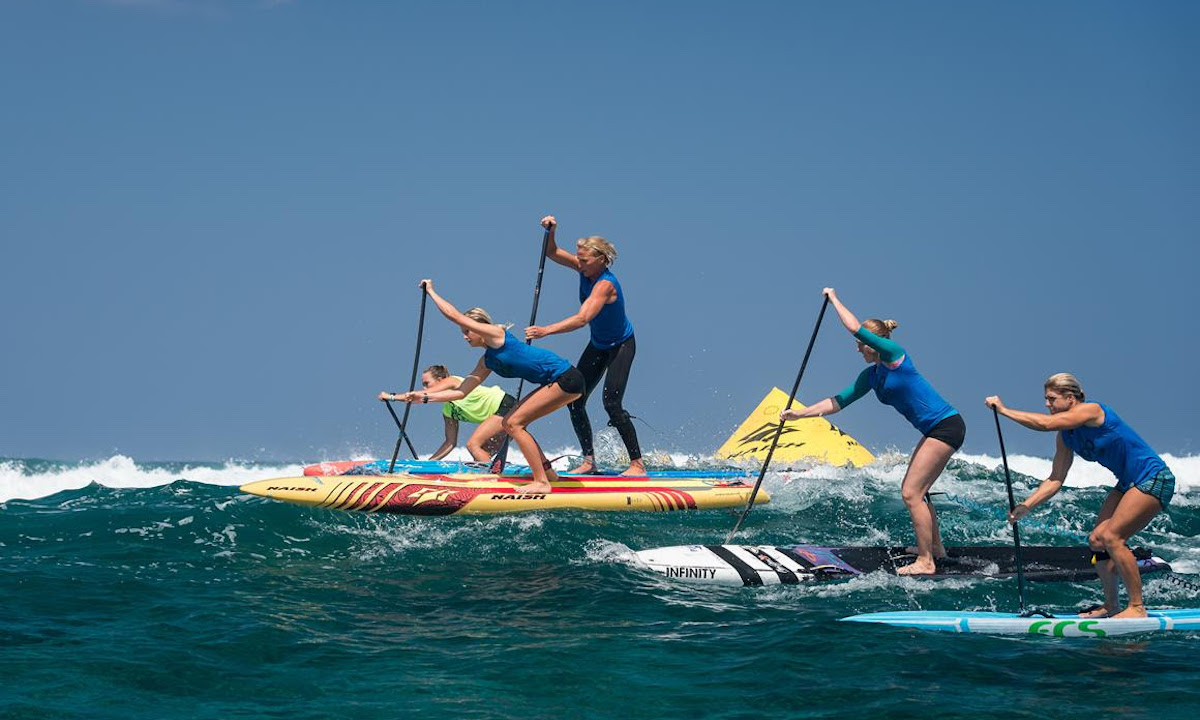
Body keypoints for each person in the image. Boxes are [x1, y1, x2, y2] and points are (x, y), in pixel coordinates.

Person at [780, 288, 965, 575]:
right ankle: (935, 549)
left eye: (861, 344)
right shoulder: (872, 375)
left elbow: (854, 327)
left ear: (874, 343)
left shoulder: (895, 355)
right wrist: (798, 414)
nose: (857, 349)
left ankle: (926, 562)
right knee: (920, 491)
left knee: (910, 493)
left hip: (946, 426)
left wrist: (833, 299)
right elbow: (837, 402)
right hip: (934, 430)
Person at [986, 373, 1174, 619]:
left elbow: (1045, 424)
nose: (1047, 404)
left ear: (1070, 398)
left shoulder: (1092, 411)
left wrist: (1004, 410)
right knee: (1097, 541)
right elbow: (1055, 479)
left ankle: (1137, 608)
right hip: (1127, 483)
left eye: (1051, 399)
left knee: (1112, 537)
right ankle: (1112, 605)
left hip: (1153, 477)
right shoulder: (1066, 436)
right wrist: (1026, 505)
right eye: (1046, 399)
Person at [397, 279, 584, 494]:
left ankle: (542, 482)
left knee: (513, 423)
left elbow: (454, 315)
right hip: (558, 382)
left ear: (480, 328)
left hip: (566, 377)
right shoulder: (488, 361)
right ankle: (548, 474)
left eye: (467, 331)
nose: (464, 336)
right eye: (463, 332)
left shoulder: (496, 335)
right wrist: (424, 397)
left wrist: (431, 291)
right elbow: (461, 392)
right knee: (512, 422)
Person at [525, 215, 645, 476]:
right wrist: (552, 231)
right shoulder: (584, 269)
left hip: (621, 346)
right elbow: (553, 253)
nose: (579, 263)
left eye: (584, 260)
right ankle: (589, 461)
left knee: (611, 404)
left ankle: (637, 464)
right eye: (578, 259)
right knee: (575, 399)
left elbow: (582, 319)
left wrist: (546, 330)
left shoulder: (605, 285)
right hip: (599, 345)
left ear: (601, 259)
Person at [379, 365, 516, 462]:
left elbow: (423, 395)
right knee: (480, 456)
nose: (424, 388)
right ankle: (497, 485)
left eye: (427, 383)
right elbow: (450, 442)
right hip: (502, 416)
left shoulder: (452, 381)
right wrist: (428, 464)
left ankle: (492, 482)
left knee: (473, 445)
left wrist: (391, 396)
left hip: (507, 406)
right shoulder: (448, 411)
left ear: (440, 380)